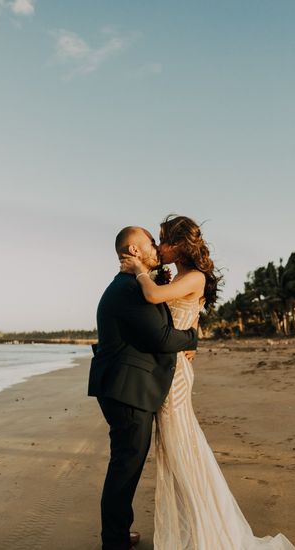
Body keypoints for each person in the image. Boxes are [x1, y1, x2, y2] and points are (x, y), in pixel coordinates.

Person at [120, 215, 295, 549]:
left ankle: (206, 526)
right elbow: (185, 316)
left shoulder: (195, 277)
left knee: (181, 449)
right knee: (175, 451)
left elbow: (156, 298)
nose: (158, 247)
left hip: (175, 376)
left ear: (179, 245)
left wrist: (139, 270)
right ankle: (191, 522)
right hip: (169, 368)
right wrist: (192, 336)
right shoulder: (180, 275)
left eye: (162, 241)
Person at [89, 225, 200, 550]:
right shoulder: (128, 289)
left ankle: (119, 534)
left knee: (127, 464)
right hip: (127, 392)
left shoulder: (133, 285)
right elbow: (161, 338)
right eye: (151, 243)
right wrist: (193, 337)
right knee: (125, 467)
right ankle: (114, 541)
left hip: (128, 389)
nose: (157, 249)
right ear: (134, 251)